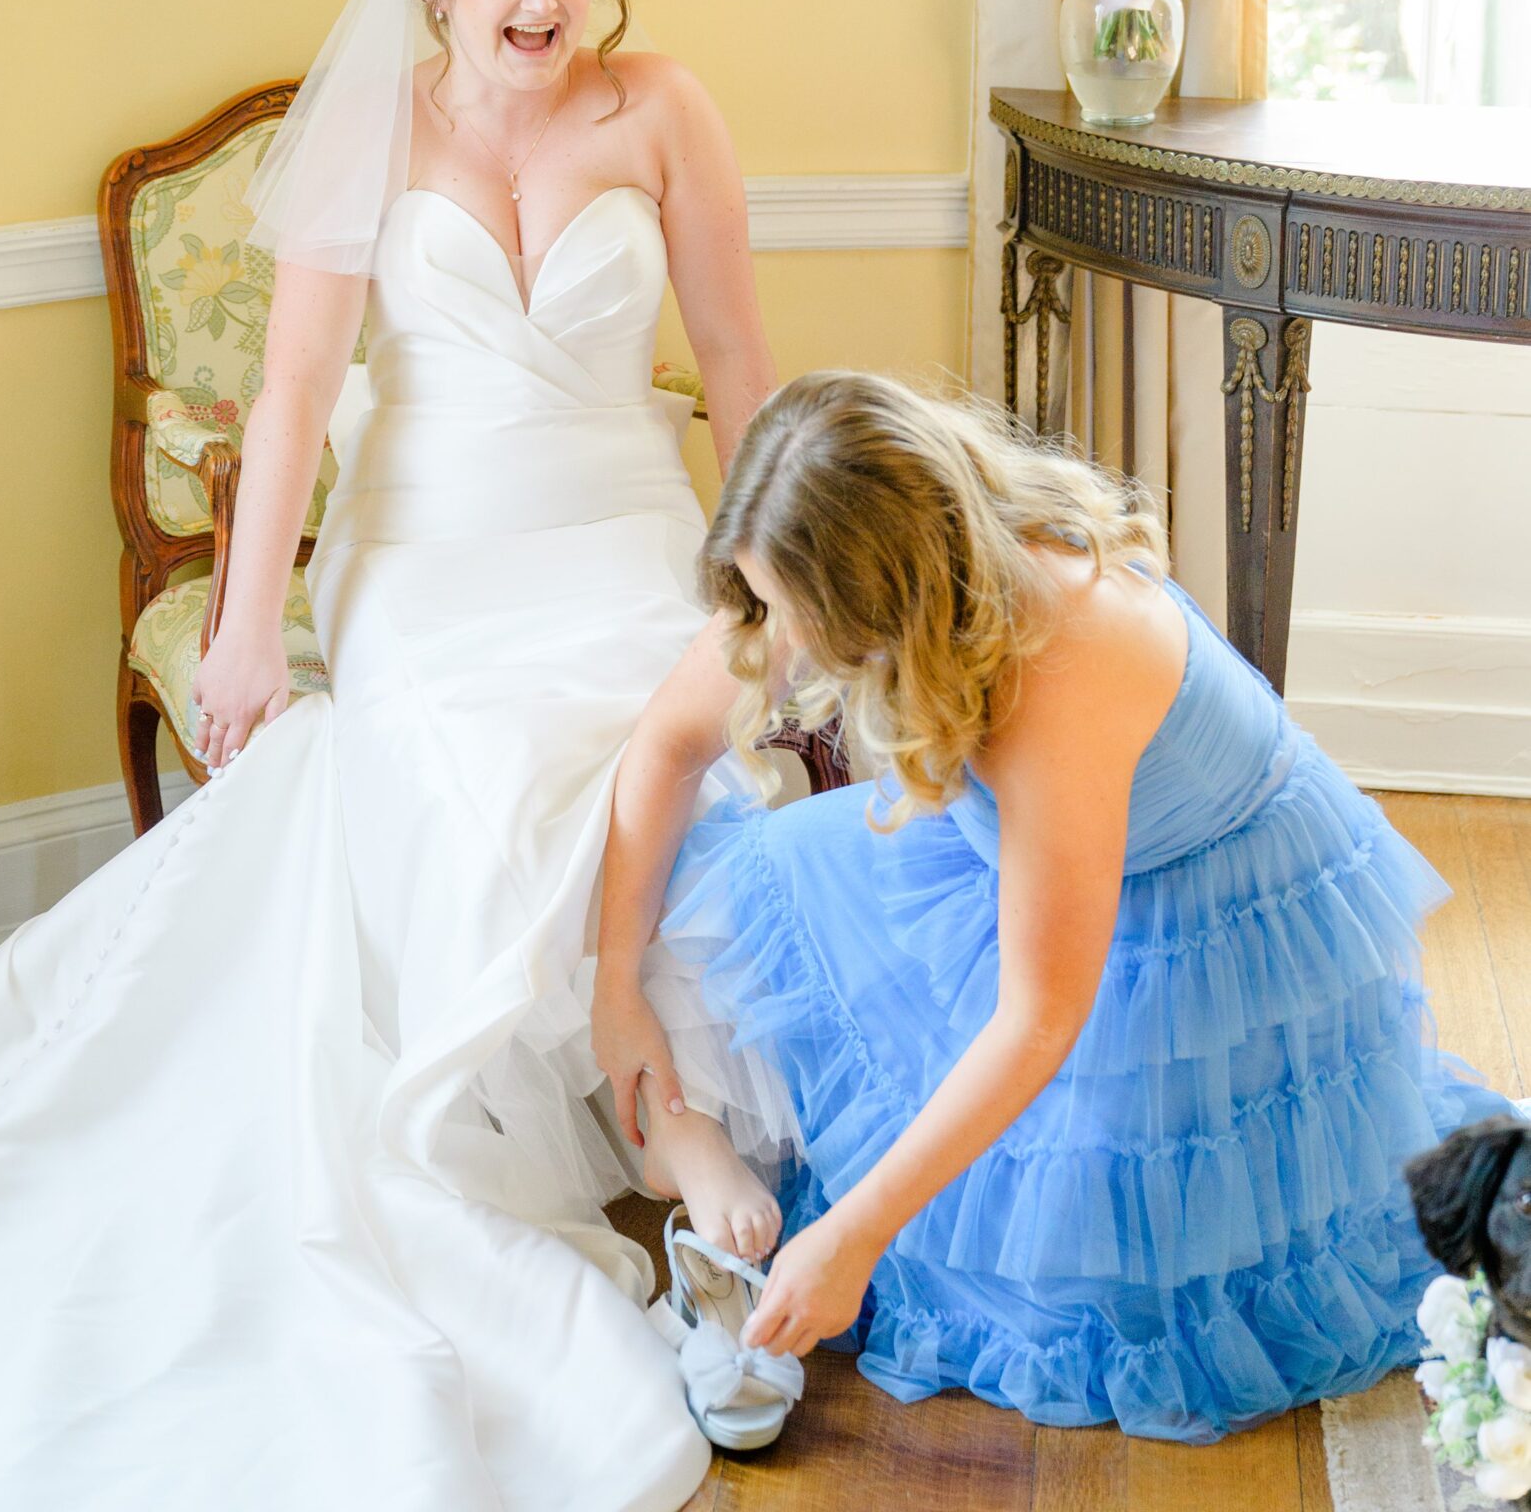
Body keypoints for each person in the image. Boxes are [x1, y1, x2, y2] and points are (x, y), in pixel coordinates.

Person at [0, 0, 790, 1512]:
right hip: (428, 548)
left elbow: (732, 359)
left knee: (687, 753)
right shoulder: (373, 126)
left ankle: (677, 1122)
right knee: (487, 768)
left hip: (622, 525)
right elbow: (290, 403)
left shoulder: (663, 109)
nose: (541, 3)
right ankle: (659, 1143)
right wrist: (249, 623)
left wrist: (770, 573)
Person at [594, 368, 1517, 1444]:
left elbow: (1038, 1017)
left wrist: (854, 1237)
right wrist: (618, 987)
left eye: (799, 615)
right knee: (718, 887)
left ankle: (770, 1207)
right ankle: (694, 1138)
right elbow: (664, 746)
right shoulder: (861, 550)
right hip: (1016, 863)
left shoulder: (1061, 658)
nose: (779, 637)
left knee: (1091, 1290)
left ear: (881, 592)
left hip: (1190, 925)